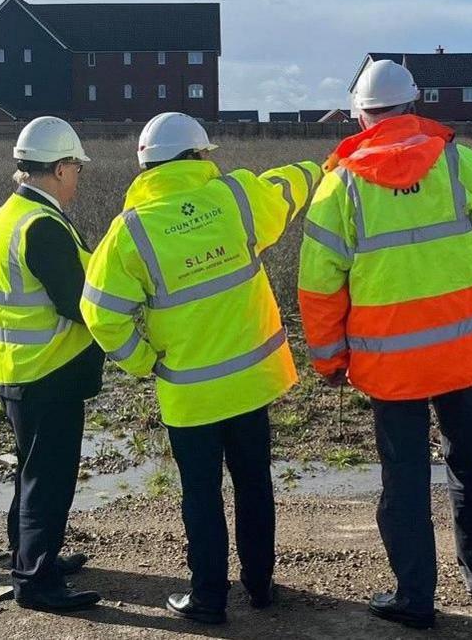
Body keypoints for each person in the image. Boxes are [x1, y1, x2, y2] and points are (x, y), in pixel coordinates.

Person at [297, 60, 472, 629]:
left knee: (402, 478)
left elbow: (319, 286)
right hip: (463, 351)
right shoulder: (460, 162)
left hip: (388, 364)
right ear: (414, 103)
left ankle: (414, 598)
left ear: (360, 114)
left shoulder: (340, 185)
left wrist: (328, 357)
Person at [81, 112, 321, 624]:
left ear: (146, 166)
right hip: (249, 380)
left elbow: (99, 309)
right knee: (254, 482)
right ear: (197, 156)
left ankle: (209, 599)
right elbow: (287, 185)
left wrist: (143, 361)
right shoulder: (234, 198)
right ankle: (260, 587)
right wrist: (325, 165)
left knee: (201, 494)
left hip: (189, 394)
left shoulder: (131, 231)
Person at [0, 116, 104, 612]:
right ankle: (36, 581)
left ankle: (30, 556)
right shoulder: (41, 225)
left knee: (33, 474)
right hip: (46, 372)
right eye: (75, 167)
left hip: (19, 369)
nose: (78, 176)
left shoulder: (15, 212)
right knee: (49, 480)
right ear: (58, 169)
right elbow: (79, 303)